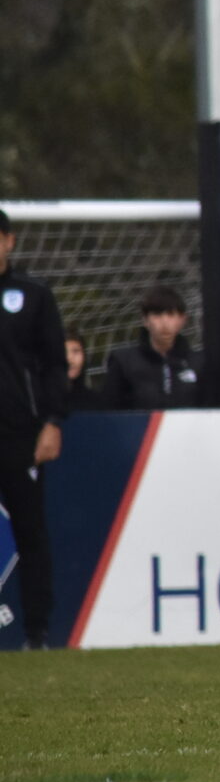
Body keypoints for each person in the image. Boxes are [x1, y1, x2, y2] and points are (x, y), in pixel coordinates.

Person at [0, 209, 70, 648]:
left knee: (30, 532)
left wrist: (53, 421)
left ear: (8, 240)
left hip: (21, 433)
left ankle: (38, 632)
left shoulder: (33, 294)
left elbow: (54, 364)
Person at [97, 284, 204, 409]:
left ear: (182, 320)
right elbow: (109, 409)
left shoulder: (199, 363)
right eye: (157, 315)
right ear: (145, 320)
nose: (164, 323)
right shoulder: (124, 362)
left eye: (170, 314)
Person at [61, 333, 98, 413]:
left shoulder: (95, 401)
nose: (70, 359)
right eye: (63, 352)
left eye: (75, 351)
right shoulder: (38, 402)